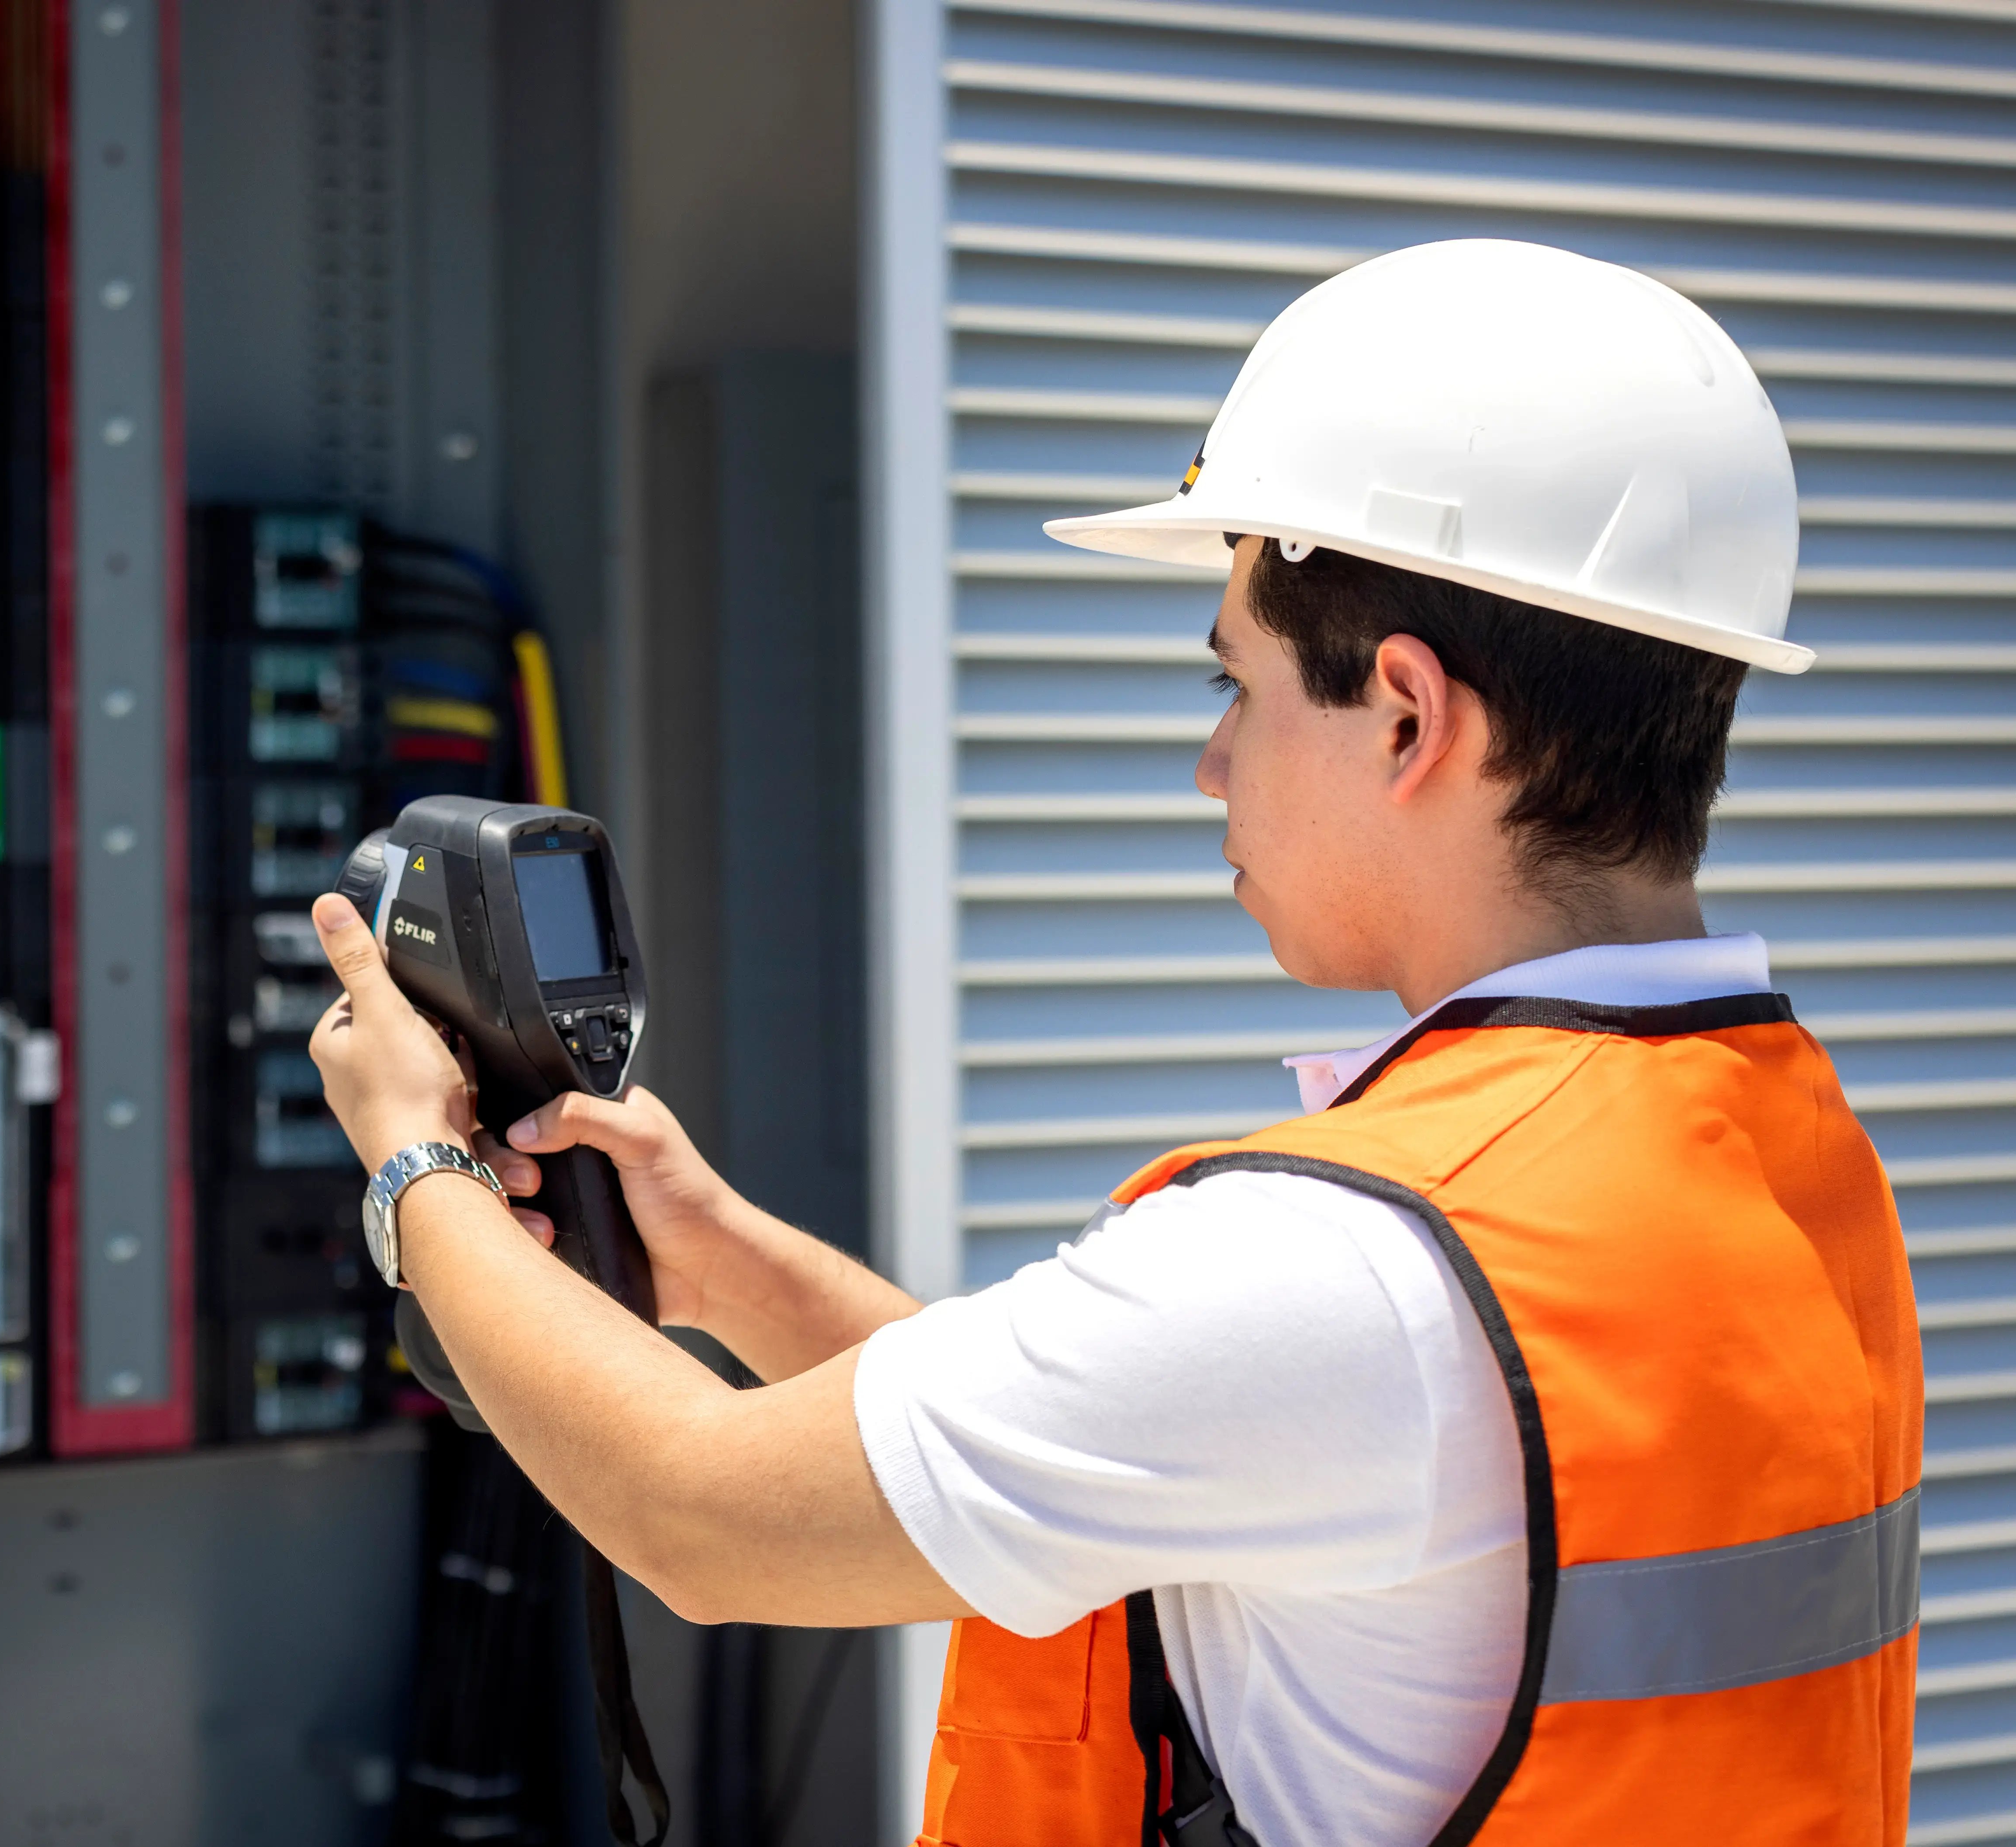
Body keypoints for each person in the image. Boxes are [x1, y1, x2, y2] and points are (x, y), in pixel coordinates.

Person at [306, 240, 1921, 1847]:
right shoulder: (1783, 1155)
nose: (1215, 764)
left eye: (1239, 686)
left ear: (1411, 717)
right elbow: (1173, 1433)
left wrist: (416, 1162)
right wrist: (727, 1265)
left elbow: (698, 1512)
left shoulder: (1350, 1264)